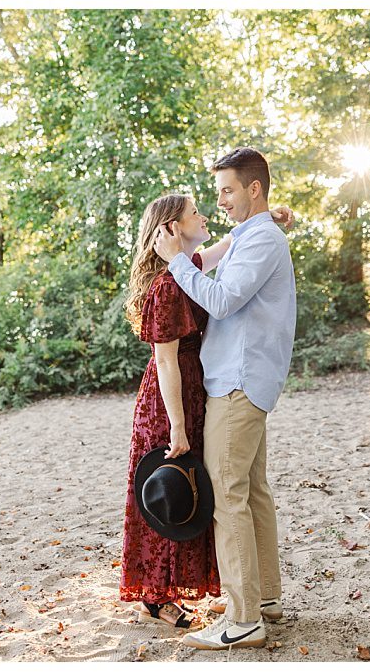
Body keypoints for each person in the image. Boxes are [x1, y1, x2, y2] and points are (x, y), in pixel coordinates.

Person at [119, 191, 294, 630]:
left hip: (196, 390)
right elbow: (164, 361)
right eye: (195, 212)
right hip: (168, 401)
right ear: (172, 229)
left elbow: (228, 247)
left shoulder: (188, 269)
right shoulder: (165, 286)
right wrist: (178, 425)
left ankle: (202, 592)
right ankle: (155, 598)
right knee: (168, 490)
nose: (205, 214)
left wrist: (266, 218)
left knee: (194, 489)